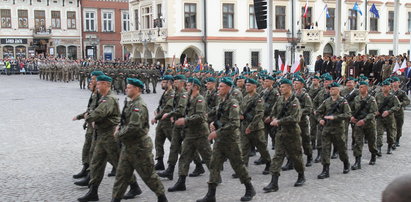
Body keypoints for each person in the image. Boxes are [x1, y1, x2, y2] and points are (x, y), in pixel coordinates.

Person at [78, 75, 139, 202]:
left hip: (110, 135)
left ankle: (134, 186)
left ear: (107, 85)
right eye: (97, 84)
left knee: (119, 163)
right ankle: (93, 191)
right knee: (96, 163)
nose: (97, 86)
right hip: (102, 135)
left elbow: (99, 113)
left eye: (100, 84)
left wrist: (87, 117)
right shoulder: (104, 98)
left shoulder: (109, 99)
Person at [197, 77, 256, 202]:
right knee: (214, 164)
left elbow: (234, 123)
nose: (219, 88)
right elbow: (220, 115)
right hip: (220, 140)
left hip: (231, 141)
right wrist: (213, 122)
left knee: (238, 166)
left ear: (229, 88)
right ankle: (211, 194)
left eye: (221, 86)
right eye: (218, 86)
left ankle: (249, 188)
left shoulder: (233, 102)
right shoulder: (221, 100)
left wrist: (216, 133)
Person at [111, 78, 167, 202]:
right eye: (127, 87)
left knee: (149, 176)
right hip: (128, 146)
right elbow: (125, 122)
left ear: (137, 89)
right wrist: (120, 127)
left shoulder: (138, 105)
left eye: (129, 87)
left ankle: (162, 198)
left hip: (139, 147)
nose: (126, 89)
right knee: (121, 176)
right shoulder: (130, 103)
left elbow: (134, 127)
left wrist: (118, 134)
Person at [168, 78, 212, 192]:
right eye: (186, 85)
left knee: (208, 157)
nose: (186, 87)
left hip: (200, 133)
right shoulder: (188, 98)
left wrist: (185, 121)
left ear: (195, 87)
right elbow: (185, 112)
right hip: (190, 133)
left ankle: (215, 177)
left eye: (189, 85)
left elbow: (200, 116)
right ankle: (181, 182)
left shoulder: (200, 99)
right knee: (184, 157)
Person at [263, 78, 305, 193]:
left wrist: (279, 121)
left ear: (289, 87)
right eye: (280, 87)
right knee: (277, 156)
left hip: (292, 134)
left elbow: (295, 118)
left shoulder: (294, 101)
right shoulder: (280, 99)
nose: (281, 89)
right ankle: (274, 182)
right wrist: (271, 117)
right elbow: (274, 110)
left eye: (283, 87)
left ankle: (301, 175)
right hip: (281, 133)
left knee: (296, 156)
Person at [72, 71, 104, 180]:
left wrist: (93, 119)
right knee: (88, 147)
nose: (91, 81)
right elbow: (89, 109)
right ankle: (86, 168)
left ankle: (90, 173)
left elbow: (100, 111)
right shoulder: (94, 93)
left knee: (99, 151)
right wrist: (82, 117)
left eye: (94, 79)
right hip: (91, 124)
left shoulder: (101, 94)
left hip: (98, 126)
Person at [316, 82, 351, 179]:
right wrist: (320, 120)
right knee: (325, 149)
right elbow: (318, 112)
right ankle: (325, 170)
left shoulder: (343, 101)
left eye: (333, 89)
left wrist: (335, 117)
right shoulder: (326, 101)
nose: (331, 91)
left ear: (338, 90)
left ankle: (346, 163)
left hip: (338, 129)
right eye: (330, 89)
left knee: (341, 148)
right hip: (327, 129)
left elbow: (348, 114)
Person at [238, 78, 271, 175]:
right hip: (245, 126)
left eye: (249, 85)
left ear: (254, 87)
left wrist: (251, 127)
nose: (247, 87)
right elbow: (241, 110)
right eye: (246, 85)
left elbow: (259, 114)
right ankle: (243, 168)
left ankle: (269, 163)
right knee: (244, 148)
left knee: (262, 148)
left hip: (256, 128)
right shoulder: (245, 97)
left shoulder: (259, 99)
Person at [350, 81, 378, 170]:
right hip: (358, 124)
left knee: (371, 142)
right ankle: (357, 162)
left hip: (369, 124)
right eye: (359, 87)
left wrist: (364, 120)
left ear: (366, 88)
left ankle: (373, 155)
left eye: (362, 87)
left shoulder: (371, 99)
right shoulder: (356, 98)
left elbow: (373, 112)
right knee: (358, 142)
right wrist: (352, 117)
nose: (360, 89)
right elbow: (352, 109)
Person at [151, 75, 175, 171]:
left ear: (170, 83)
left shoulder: (172, 94)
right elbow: (161, 105)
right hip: (162, 122)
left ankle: (195, 160)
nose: (162, 83)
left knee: (175, 143)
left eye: (164, 82)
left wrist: (156, 117)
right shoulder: (165, 93)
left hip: (168, 122)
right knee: (158, 141)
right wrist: (157, 111)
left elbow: (167, 108)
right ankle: (160, 162)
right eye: (162, 82)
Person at [375, 80, 400, 156]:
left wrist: (389, 111)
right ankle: (378, 148)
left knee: (390, 133)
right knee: (379, 133)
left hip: (389, 118)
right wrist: (376, 112)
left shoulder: (393, 97)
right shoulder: (378, 95)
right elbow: (373, 105)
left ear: (389, 87)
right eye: (383, 86)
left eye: (385, 86)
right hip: (380, 118)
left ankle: (389, 146)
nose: (383, 88)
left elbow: (397, 106)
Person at [390, 76, 410, 147]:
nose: (394, 84)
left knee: (398, 126)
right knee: (392, 127)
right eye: (393, 82)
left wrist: (400, 104)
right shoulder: (390, 92)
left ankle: (397, 139)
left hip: (399, 112)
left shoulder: (402, 93)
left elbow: (407, 101)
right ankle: (392, 140)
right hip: (391, 112)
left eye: (396, 82)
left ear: (399, 83)